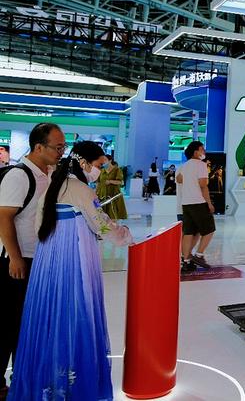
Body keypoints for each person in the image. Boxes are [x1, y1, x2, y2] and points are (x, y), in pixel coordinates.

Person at [8, 141, 131, 400]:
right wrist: (126, 236)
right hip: (74, 257)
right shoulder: (81, 190)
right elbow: (102, 225)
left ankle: (47, 381)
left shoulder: (53, 186)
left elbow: (39, 225)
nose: (100, 170)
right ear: (84, 163)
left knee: (49, 312)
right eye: (98, 165)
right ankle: (75, 382)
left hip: (48, 259)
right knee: (76, 310)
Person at [0, 123, 64, 399]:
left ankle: (23, 376)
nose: (62, 152)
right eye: (57, 147)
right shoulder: (19, 175)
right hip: (17, 261)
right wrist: (15, 258)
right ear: (39, 147)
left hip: (40, 260)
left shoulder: (49, 174)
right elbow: (4, 217)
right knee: (8, 324)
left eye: (63, 147)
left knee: (31, 323)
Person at [177, 142, 215, 272]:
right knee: (209, 230)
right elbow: (203, 185)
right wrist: (209, 203)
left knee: (189, 232)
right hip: (198, 202)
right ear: (195, 152)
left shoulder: (184, 166)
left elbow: (179, 180)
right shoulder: (201, 165)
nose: (204, 151)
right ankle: (199, 255)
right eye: (202, 149)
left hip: (186, 203)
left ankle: (186, 262)